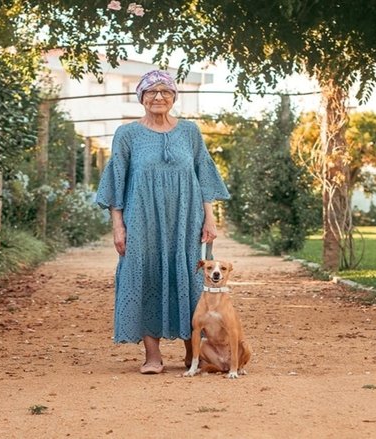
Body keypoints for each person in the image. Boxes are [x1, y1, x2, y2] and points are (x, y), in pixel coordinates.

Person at [95, 69, 230, 374]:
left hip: (186, 221)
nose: (158, 97)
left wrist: (209, 220)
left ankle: (192, 353)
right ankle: (152, 356)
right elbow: (116, 183)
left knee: (190, 280)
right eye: (151, 92)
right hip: (141, 220)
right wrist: (118, 225)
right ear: (141, 97)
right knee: (144, 278)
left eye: (165, 92)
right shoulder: (127, 135)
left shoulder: (190, 132)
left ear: (174, 97)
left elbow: (203, 177)